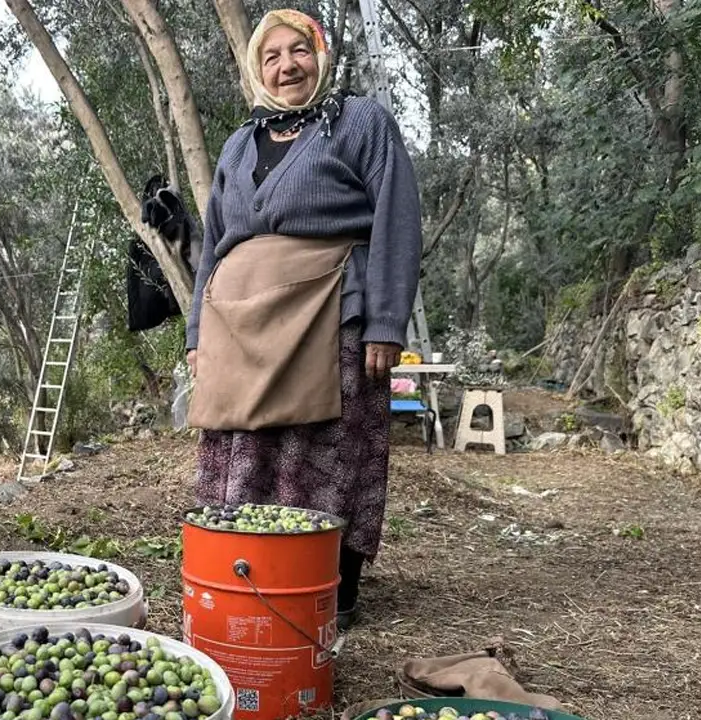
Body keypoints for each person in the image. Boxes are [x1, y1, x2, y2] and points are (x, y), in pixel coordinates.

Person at [184, 8, 422, 632]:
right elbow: (213, 244)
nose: (286, 66)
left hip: (331, 309)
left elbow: (397, 215)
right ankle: (248, 571)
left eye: (299, 51)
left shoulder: (360, 122)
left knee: (326, 450)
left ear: (321, 55)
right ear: (256, 69)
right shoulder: (240, 143)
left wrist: (386, 323)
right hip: (237, 323)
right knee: (247, 443)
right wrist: (196, 334)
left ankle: (326, 587)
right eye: (271, 56)